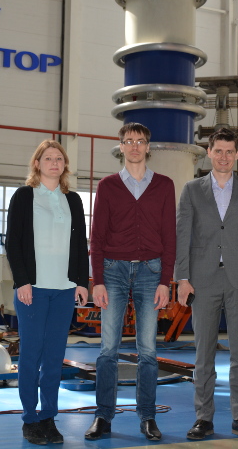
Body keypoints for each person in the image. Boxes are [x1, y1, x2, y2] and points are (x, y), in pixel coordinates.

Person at [175, 127, 238, 441]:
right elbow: (183, 237)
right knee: (204, 355)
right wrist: (182, 278)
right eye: (219, 151)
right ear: (209, 152)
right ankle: (204, 418)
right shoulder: (191, 190)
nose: (224, 157)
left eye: (230, 151)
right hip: (202, 282)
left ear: (237, 154)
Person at [85, 122, 176, 442]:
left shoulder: (164, 185)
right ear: (121, 147)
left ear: (148, 147)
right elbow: (96, 237)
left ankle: (148, 417)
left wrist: (166, 280)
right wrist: (97, 280)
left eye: (140, 141)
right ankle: (103, 416)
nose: (135, 146)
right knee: (107, 349)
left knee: (148, 351)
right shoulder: (108, 186)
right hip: (112, 272)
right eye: (129, 141)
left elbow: (169, 236)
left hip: (151, 273)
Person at [5, 140, 90, 445]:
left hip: (64, 290)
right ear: (37, 164)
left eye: (59, 159)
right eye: (48, 158)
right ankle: (30, 418)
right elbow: (12, 242)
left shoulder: (73, 200)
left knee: (54, 358)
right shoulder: (24, 196)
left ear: (64, 165)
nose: (54, 163)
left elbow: (81, 245)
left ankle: (48, 417)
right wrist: (22, 281)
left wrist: (82, 281)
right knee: (31, 356)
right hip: (34, 290)